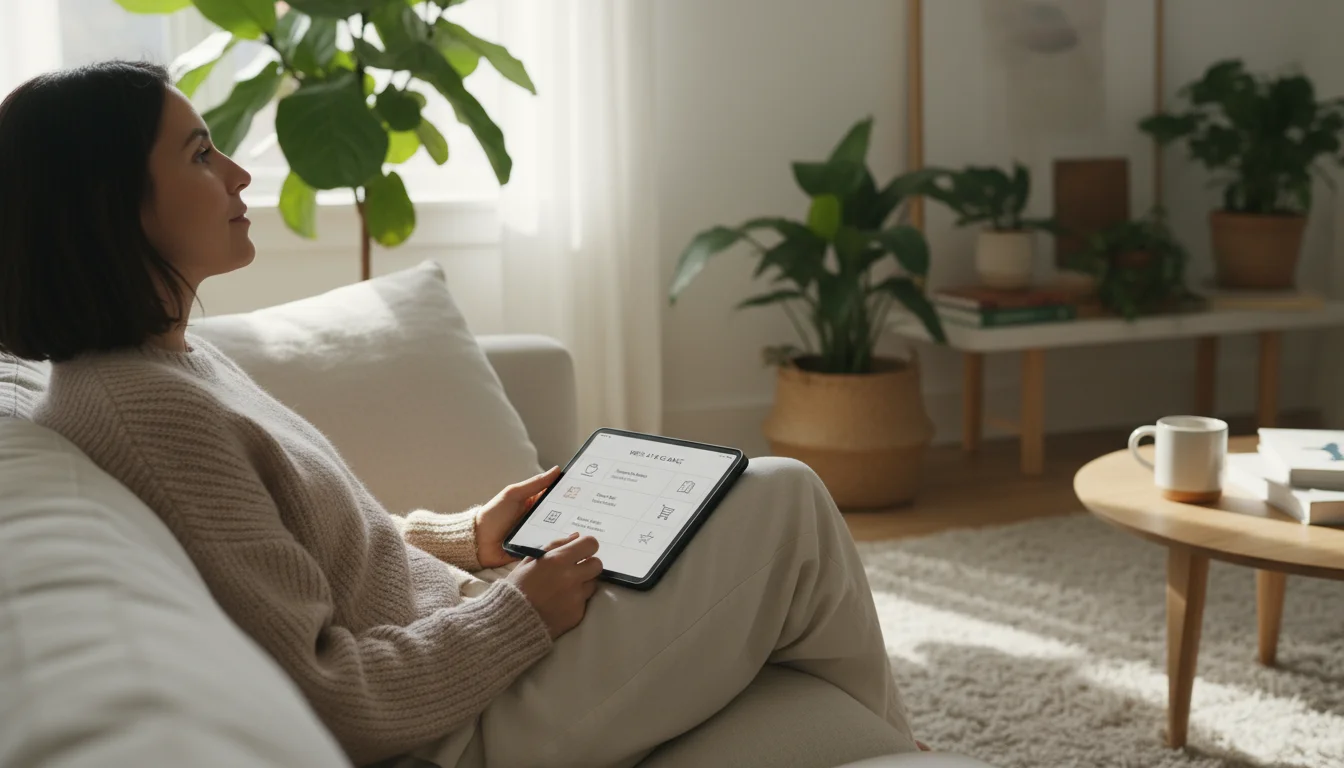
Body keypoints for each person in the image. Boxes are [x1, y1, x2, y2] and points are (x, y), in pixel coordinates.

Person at [0, 61, 919, 767]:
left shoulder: (166, 363)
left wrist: (468, 537)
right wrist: (518, 613)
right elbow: (332, 696)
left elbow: (301, 560)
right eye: (201, 154)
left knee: (726, 502)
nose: (240, 174)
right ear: (109, 206)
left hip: (466, 643)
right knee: (784, 500)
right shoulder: (146, 414)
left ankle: (877, 747)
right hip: (458, 729)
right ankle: (892, 745)